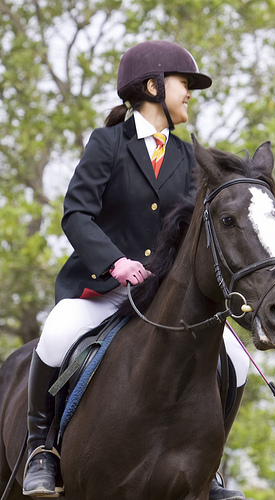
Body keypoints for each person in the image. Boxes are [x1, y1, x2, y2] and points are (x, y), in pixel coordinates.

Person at [22, 40, 247, 499]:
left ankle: (212, 463)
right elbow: (76, 215)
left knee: (238, 358)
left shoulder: (188, 157)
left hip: (164, 294)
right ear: (153, 86)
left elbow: (193, 230)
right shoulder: (108, 144)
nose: (189, 94)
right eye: (185, 84)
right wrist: (115, 262)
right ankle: (41, 450)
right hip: (105, 288)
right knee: (57, 332)